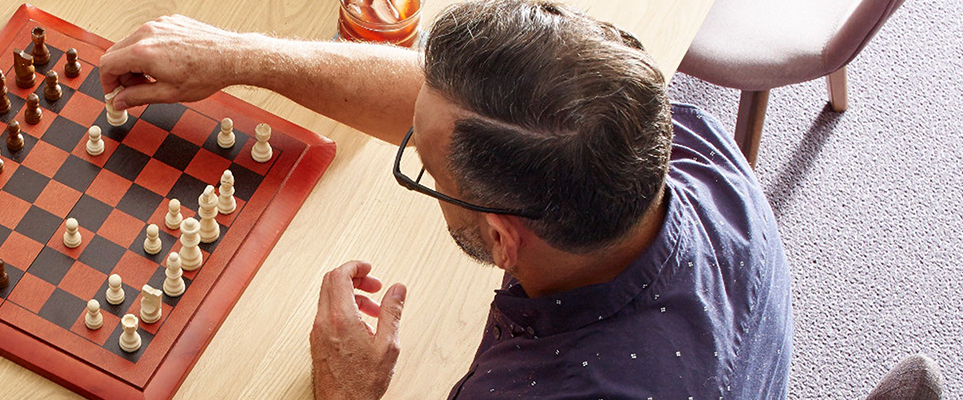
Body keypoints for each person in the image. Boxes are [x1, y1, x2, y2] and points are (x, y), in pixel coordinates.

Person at [93, 0, 789, 399]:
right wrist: (239, 58)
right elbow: (464, 110)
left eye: (424, 165)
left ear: (502, 240)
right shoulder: (675, 141)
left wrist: (348, 394)